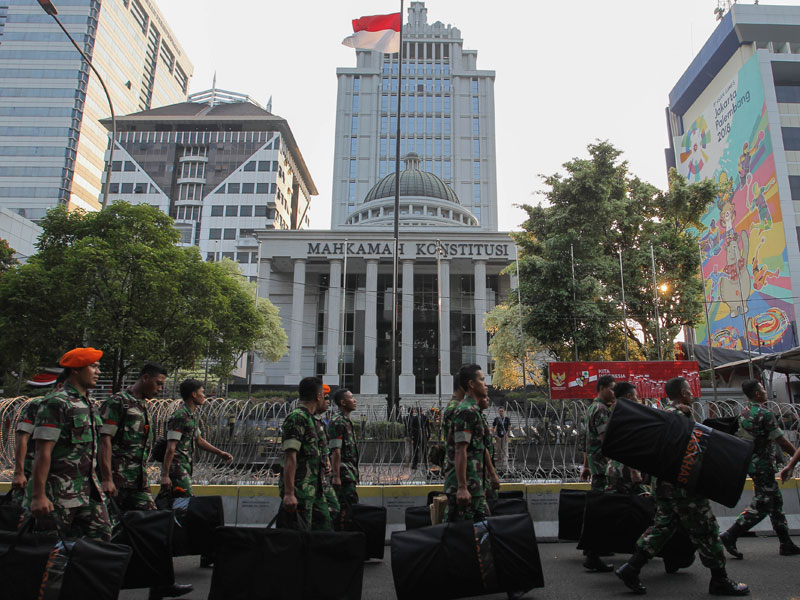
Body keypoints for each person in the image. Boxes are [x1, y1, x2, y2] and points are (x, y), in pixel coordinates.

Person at [616, 377, 749, 596]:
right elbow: (694, 450)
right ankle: (720, 580)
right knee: (706, 528)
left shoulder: (661, 415)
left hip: (663, 484)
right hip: (684, 484)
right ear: (684, 393)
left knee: (664, 525)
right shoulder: (681, 416)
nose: (691, 394)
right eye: (689, 390)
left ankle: (631, 567)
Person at [98, 362, 193, 600]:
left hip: (137, 482)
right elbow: (104, 441)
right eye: (158, 383)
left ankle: (161, 584)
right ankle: (98, 584)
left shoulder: (143, 406)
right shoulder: (117, 403)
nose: (160, 389)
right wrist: (107, 478)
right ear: (144, 377)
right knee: (103, 533)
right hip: (116, 482)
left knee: (156, 529)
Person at [28, 347, 111, 541]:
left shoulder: (88, 404)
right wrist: (38, 495)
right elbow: (42, 452)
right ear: (76, 369)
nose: (98, 372)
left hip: (88, 492)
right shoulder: (56, 403)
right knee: (51, 550)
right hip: (58, 495)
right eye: (94, 367)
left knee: (101, 539)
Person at [719, 380, 800, 558]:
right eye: (762, 389)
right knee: (763, 504)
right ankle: (730, 534)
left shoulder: (745, 412)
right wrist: (796, 456)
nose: (765, 391)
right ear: (757, 394)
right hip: (763, 464)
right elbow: (781, 440)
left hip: (752, 463)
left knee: (775, 501)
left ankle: (785, 543)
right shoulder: (764, 413)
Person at [160, 379, 233, 568]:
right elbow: (170, 448)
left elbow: (199, 440)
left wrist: (220, 453)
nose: (204, 395)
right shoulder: (180, 415)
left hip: (184, 469)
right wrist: (165, 475)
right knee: (188, 511)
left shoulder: (190, 415)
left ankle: (199, 552)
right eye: (202, 391)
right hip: (178, 472)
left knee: (179, 511)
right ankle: (201, 553)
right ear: (193, 394)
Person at [10, 370, 67, 507]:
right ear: (59, 386)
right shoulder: (38, 404)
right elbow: (22, 437)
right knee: (24, 512)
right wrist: (19, 472)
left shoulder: (71, 408)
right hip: (31, 471)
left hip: (57, 475)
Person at [443, 364, 492, 523]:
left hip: (475, 484)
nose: (486, 384)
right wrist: (462, 487)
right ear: (471, 384)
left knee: (481, 533)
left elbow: (477, 447)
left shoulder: (474, 410)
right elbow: (460, 450)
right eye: (482, 380)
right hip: (466, 487)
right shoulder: (466, 411)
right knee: (459, 535)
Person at [279, 377, 326, 530]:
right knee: (298, 534)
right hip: (300, 490)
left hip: (313, 488)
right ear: (318, 396)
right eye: (323, 395)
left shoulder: (311, 419)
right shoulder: (297, 418)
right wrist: (289, 493)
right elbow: (290, 457)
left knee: (323, 527)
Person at [580, 374, 616, 572]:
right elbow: (605, 440)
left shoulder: (592, 407)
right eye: (611, 388)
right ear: (602, 388)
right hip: (603, 466)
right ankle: (593, 552)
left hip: (596, 465)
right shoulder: (601, 410)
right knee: (600, 509)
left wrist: (586, 465)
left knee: (597, 506)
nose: (613, 391)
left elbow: (587, 440)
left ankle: (594, 549)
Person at [604, 382, 644, 495]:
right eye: (636, 396)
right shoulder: (628, 415)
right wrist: (634, 470)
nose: (638, 399)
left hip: (614, 469)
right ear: (629, 396)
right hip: (625, 471)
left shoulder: (612, 411)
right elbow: (628, 443)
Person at [329, 388, 360, 520]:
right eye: (351, 398)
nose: (355, 400)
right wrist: (336, 476)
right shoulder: (338, 421)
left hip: (349, 473)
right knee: (345, 510)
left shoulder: (346, 421)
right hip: (343, 474)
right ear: (343, 402)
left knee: (349, 509)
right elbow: (336, 450)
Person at [312, 384, 337, 531]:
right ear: (317, 398)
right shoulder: (300, 418)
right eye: (325, 398)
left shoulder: (319, 421)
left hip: (319, 481)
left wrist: (327, 461)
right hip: (305, 483)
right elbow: (290, 457)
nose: (328, 401)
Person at [493, 406, 511, 471]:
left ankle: (505, 462)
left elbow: (509, 427)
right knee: (498, 449)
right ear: (498, 412)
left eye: (502, 411)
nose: (501, 412)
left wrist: (507, 435)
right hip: (498, 436)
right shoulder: (496, 419)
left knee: (505, 448)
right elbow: (493, 426)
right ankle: (499, 461)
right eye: (500, 411)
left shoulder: (507, 419)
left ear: (504, 412)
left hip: (504, 436)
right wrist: (495, 434)